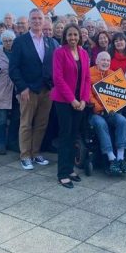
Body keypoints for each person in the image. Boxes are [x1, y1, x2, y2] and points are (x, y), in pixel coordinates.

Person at [9, 8, 58, 170]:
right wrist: (22, 88)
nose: (37, 21)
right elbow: (13, 68)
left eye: (39, 18)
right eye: (34, 18)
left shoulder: (51, 42)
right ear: (29, 22)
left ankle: (36, 153)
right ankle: (25, 155)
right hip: (28, 90)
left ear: (44, 21)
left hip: (47, 90)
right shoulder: (20, 41)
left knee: (41, 124)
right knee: (26, 123)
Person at [51, 24, 90, 188]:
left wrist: (83, 100)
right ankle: (62, 173)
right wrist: (72, 100)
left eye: (75, 35)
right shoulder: (59, 52)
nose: (73, 38)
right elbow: (58, 79)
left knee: (74, 136)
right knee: (65, 136)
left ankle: (70, 169)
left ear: (79, 36)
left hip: (79, 103)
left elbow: (87, 78)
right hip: (63, 101)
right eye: (70, 35)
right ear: (65, 37)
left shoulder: (83, 53)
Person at [89, 51, 126, 174]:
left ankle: (121, 158)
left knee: (122, 120)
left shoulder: (113, 75)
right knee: (101, 123)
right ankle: (111, 158)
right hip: (94, 113)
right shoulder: (89, 73)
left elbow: (122, 94)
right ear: (97, 61)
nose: (106, 62)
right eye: (103, 60)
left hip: (111, 111)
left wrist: (120, 102)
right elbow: (88, 94)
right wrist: (99, 108)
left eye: (108, 60)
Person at [0, 30, 19, 155]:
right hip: (2, 89)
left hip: (17, 89)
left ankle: (12, 142)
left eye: (10, 40)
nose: (8, 43)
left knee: (16, 118)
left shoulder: (18, 52)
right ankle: (0, 143)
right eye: (5, 41)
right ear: (1, 42)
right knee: (1, 119)